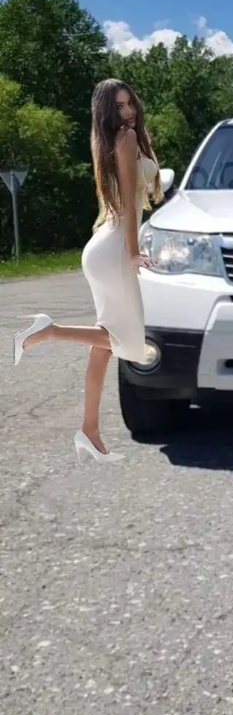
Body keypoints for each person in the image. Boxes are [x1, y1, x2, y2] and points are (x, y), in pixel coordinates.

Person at [12, 79, 162, 463]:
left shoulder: (117, 140)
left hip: (104, 246)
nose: (128, 112)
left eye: (130, 104)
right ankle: (48, 330)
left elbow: (134, 194)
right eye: (119, 107)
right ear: (107, 113)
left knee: (103, 346)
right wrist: (134, 253)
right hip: (115, 250)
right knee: (126, 342)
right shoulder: (125, 139)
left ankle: (89, 431)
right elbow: (128, 200)